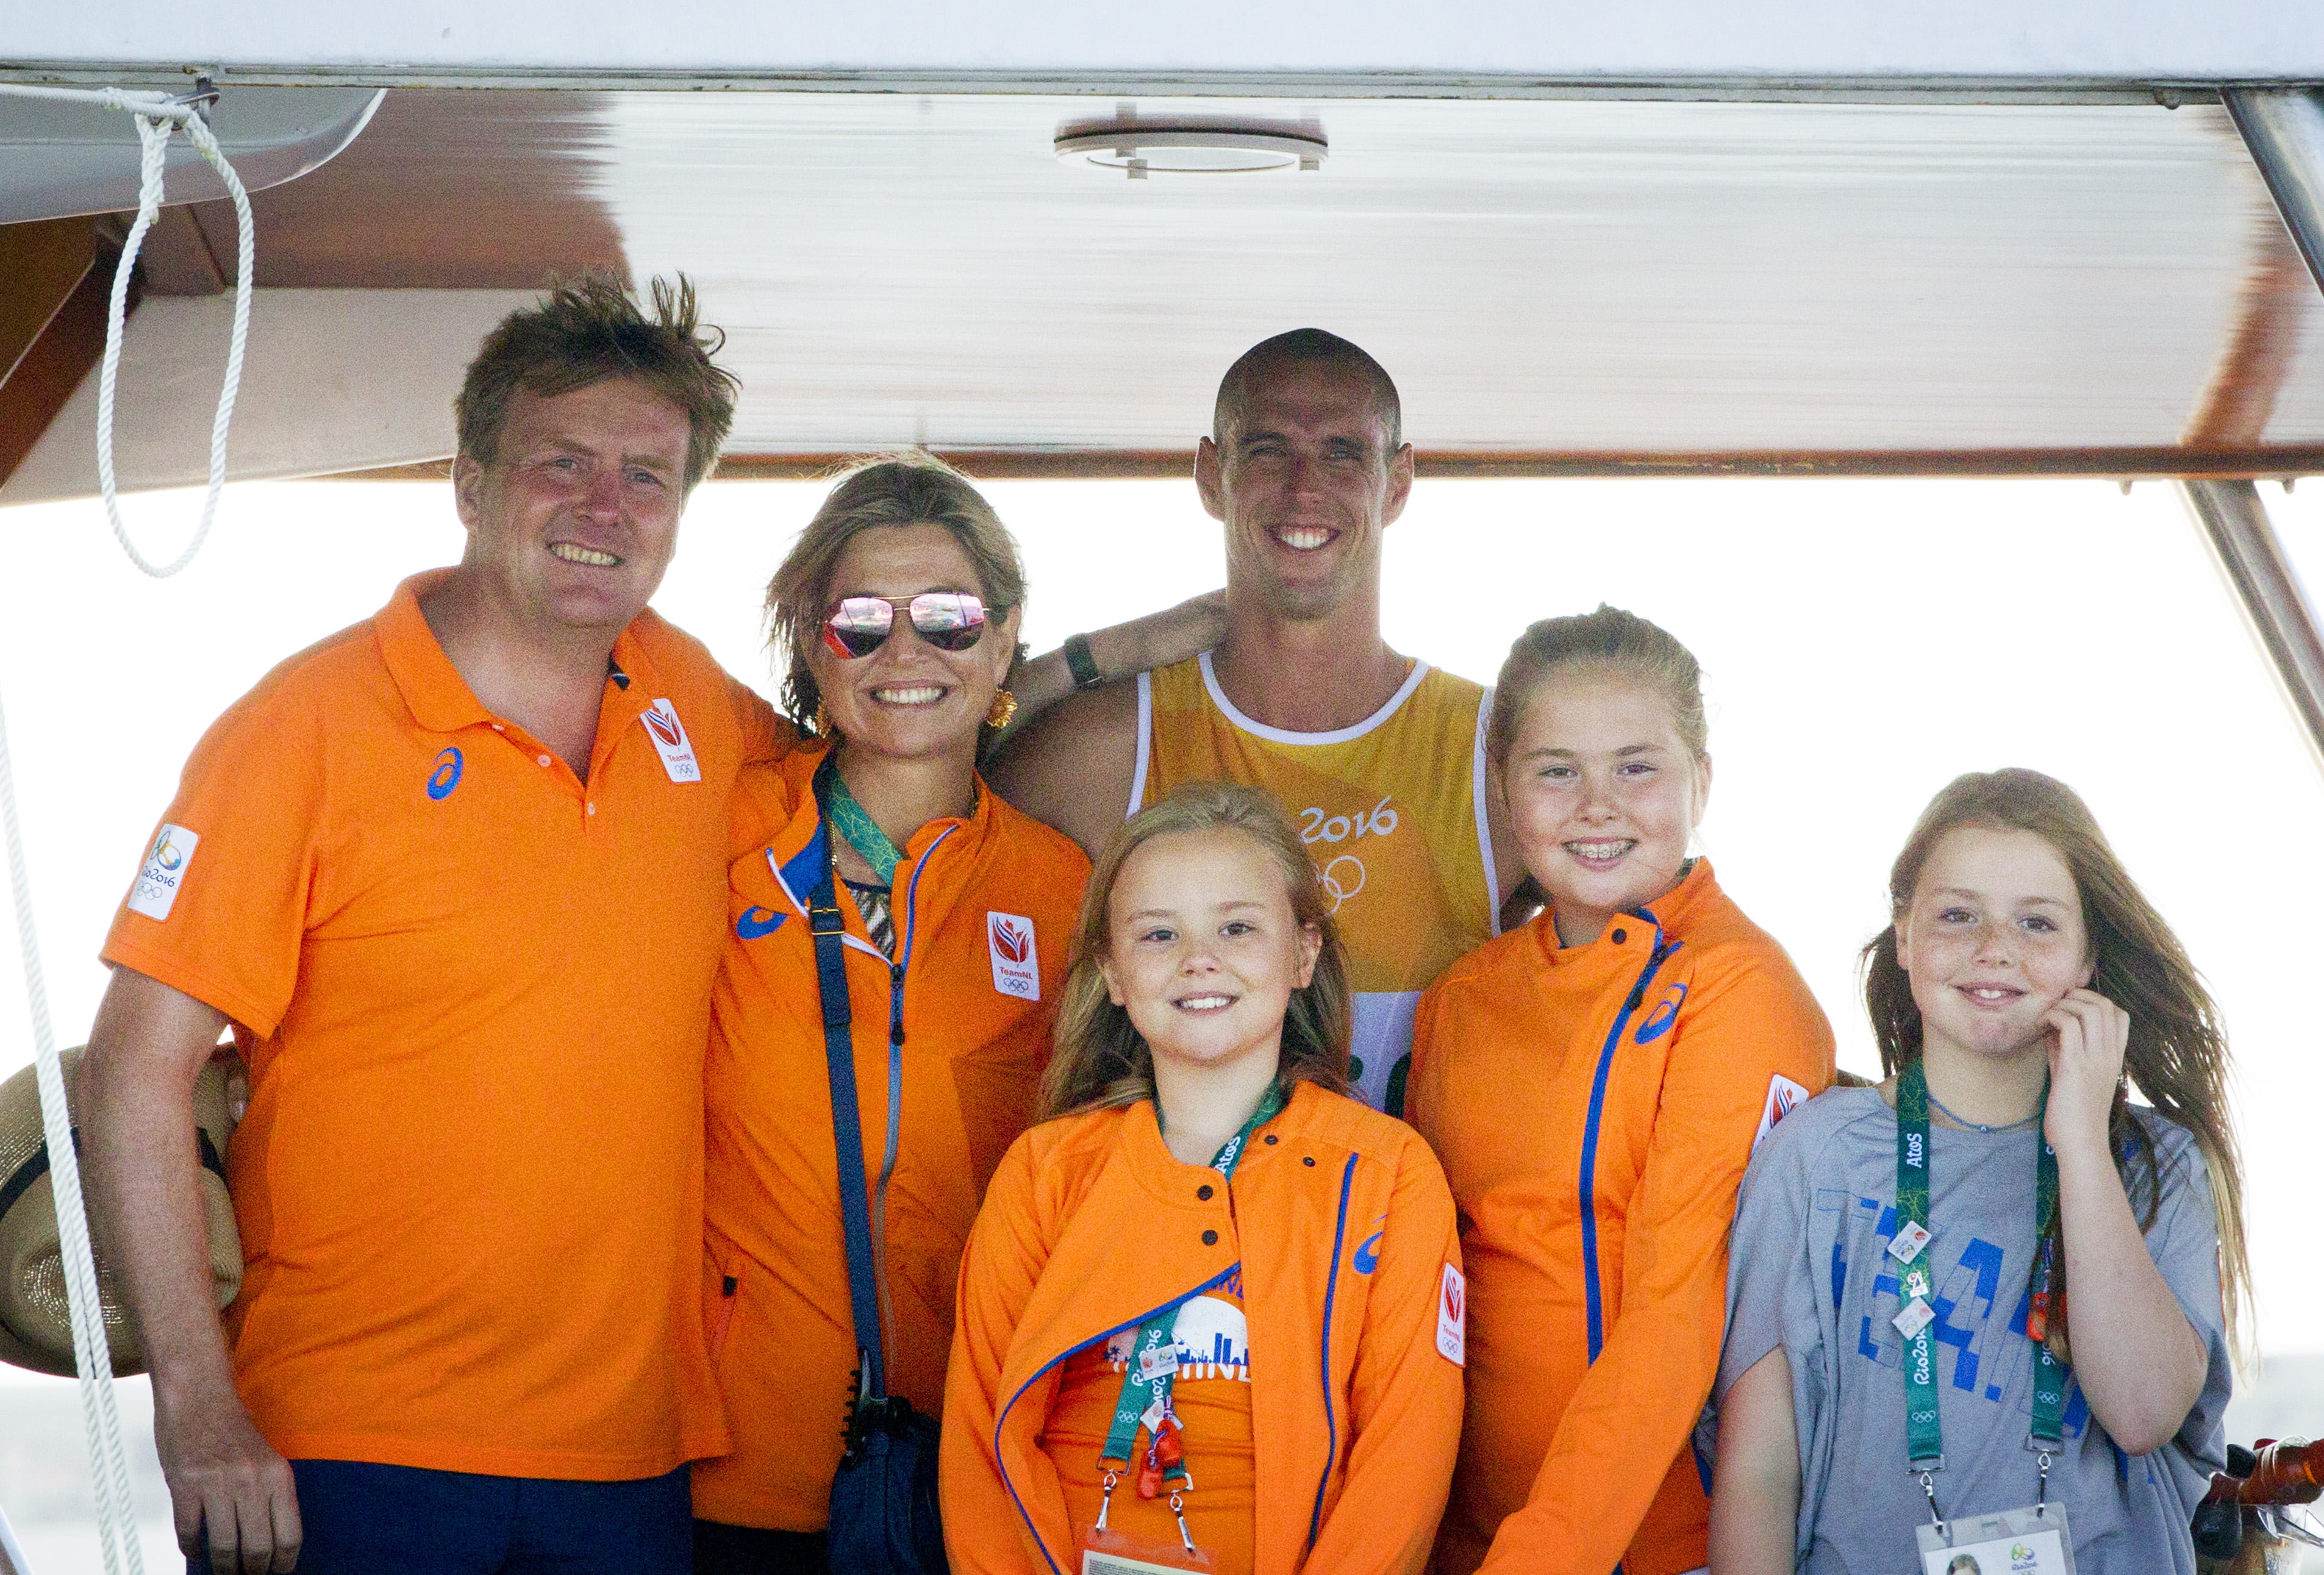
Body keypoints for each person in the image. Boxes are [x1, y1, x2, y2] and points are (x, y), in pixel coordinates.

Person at [82, 275, 782, 1575]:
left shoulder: (691, 697)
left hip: (629, 1462)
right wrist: (194, 1407)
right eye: (561, 462)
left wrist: (1116, 658)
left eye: (645, 476)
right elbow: (134, 1066)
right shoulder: (302, 728)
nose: (603, 507)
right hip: (340, 1447)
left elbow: (901, 759)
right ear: (469, 484)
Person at [690, 457, 1090, 1571]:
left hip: (969, 1466)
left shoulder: (1061, 890)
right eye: (860, 620)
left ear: (1003, 643)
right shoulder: (718, 833)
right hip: (733, 1467)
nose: (904, 652)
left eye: (949, 619)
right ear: (810, 644)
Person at [1704, 769, 2248, 1575]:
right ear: (1903, 936)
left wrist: (2079, 1143)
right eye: (1956, 915)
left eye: (2036, 922)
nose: (1994, 948)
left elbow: (2142, 1413)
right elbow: (1758, 1471)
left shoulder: (2153, 1163)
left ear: (2087, 955)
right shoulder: (1814, 1155)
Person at [1403, 607, 1834, 1575]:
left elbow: (1680, 1310)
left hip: (1657, 1545)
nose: (1595, 806)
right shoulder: (1459, 997)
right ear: (1502, 787)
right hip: (1460, 1540)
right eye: (1555, 770)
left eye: (1635, 767)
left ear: (1701, 781)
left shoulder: (1739, 986)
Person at [940, 782, 1465, 1575]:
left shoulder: (1387, 1175)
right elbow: (980, 1446)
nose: (1198, 959)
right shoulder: (1044, 1171)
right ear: (1113, 974)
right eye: (1158, 934)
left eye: (1236, 927)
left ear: (1303, 954)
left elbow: (1403, 1468)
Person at [990, 329, 1518, 1113]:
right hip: (1166, 1196)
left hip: (1420, 1195)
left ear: (1399, 481)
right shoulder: (1106, 744)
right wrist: (1094, 656)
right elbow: (913, 804)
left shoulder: (1497, 752)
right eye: (1268, 450)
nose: (1304, 489)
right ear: (1212, 475)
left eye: (1343, 453)